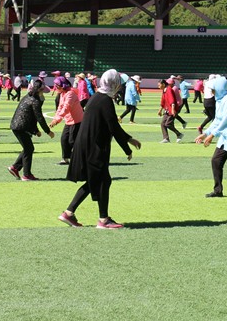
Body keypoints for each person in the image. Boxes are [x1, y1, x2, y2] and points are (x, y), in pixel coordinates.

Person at [58, 69, 141, 229]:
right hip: (93, 146)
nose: (120, 86)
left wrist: (128, 140)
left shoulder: (96, 97)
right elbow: (113, 126)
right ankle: (103, 220)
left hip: (86, 144)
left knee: (95, 180)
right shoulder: (105, 100)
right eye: (118, 83)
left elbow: (111, 125)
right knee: (102, 180)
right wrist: (127, 146)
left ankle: (69, 213)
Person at [8, 79, 54, 181]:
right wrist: (48, 131)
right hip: (21, 127)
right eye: (43, 92)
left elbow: (31, 116)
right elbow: (39, 117)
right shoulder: (35, 101)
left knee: (27, 148)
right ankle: (26, 175)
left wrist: (35, 130)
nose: (43, 94)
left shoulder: (28, 97)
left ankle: (15, 168)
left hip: (18, 126)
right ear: (39, 91)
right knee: (29, 149)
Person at [50, 75, 84, 164]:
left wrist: (57, 120)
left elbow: (66, 108)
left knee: (72, 141)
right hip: (69, 121)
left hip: (77, 121)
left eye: (57, 85)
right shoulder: (63, 94)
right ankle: (66, 158)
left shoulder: (70, 94)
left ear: (63, 85)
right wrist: (55, 119)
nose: (56, 87)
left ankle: (81, 158)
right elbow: (60, 107)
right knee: (64, 139)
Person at [158, 78, 184, 143]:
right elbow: (163, 101)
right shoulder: (164, 90)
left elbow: (172, 100)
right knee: (163, 124)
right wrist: (160, 110)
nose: (158, 86)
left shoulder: (169, 89)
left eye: (159, 85)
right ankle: (166, 138)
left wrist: (172, 110)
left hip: (172, 109)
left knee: (168, 124)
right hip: (167, 110)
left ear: (163, 84)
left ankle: (179, 134)